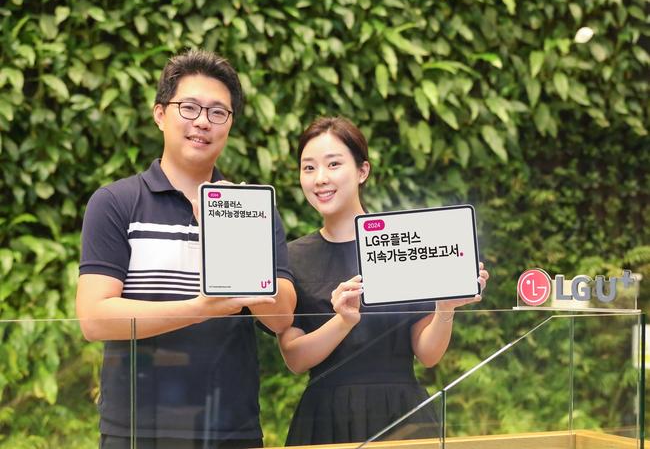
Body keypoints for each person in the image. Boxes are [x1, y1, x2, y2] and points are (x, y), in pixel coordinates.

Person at [76, 49, 296, 449]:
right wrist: (200, 308)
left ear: (230, 124)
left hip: (230, 427)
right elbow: (95, 318)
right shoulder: (115, 203)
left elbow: (281, 317)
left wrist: (233, 236)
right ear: (160, 114)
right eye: (190, 107)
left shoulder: (251, 208)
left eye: (218, 112)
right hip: (138, 428)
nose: (203, 121)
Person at [278, 116, 489, 446]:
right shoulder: (292, 257)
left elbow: (428, 354)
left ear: (362, 171)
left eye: (334, 164)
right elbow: (295, 359)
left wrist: (445, 307)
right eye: (309, 168)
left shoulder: (404, 242)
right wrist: (343, 321)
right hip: (326, 416)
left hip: (401, 412)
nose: (320, 179)